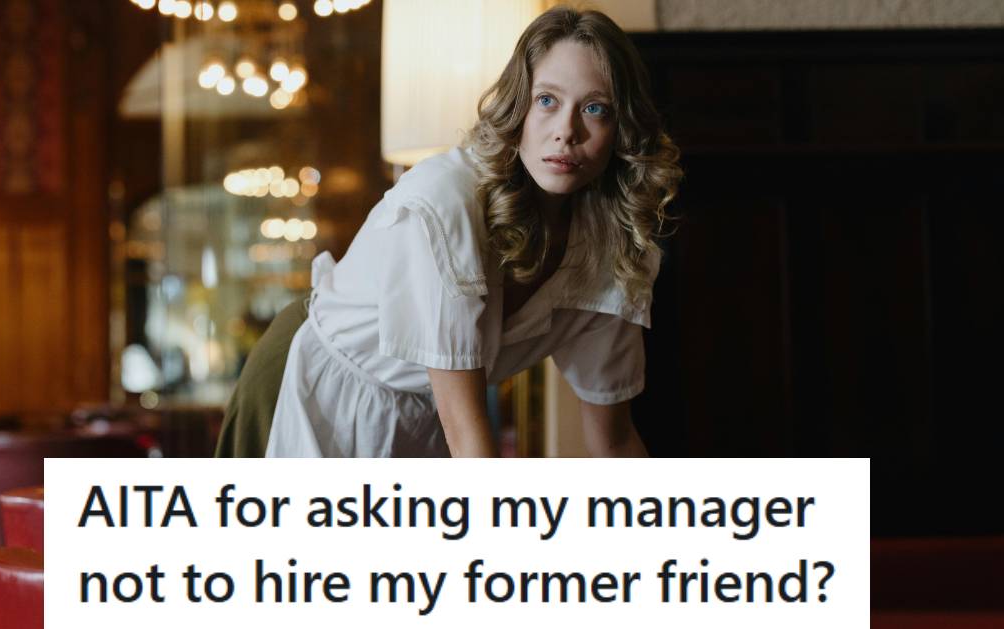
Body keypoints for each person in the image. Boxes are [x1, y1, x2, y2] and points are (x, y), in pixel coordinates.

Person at [215, 6, 681, 458]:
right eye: (547, 101)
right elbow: (469, 439)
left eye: (595, 108)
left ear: (622, 128)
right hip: (309, 382)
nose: (566, 131)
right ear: (518, 106)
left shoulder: (613, 247)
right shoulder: (443, 205)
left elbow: (614, 443)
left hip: (420, 413)